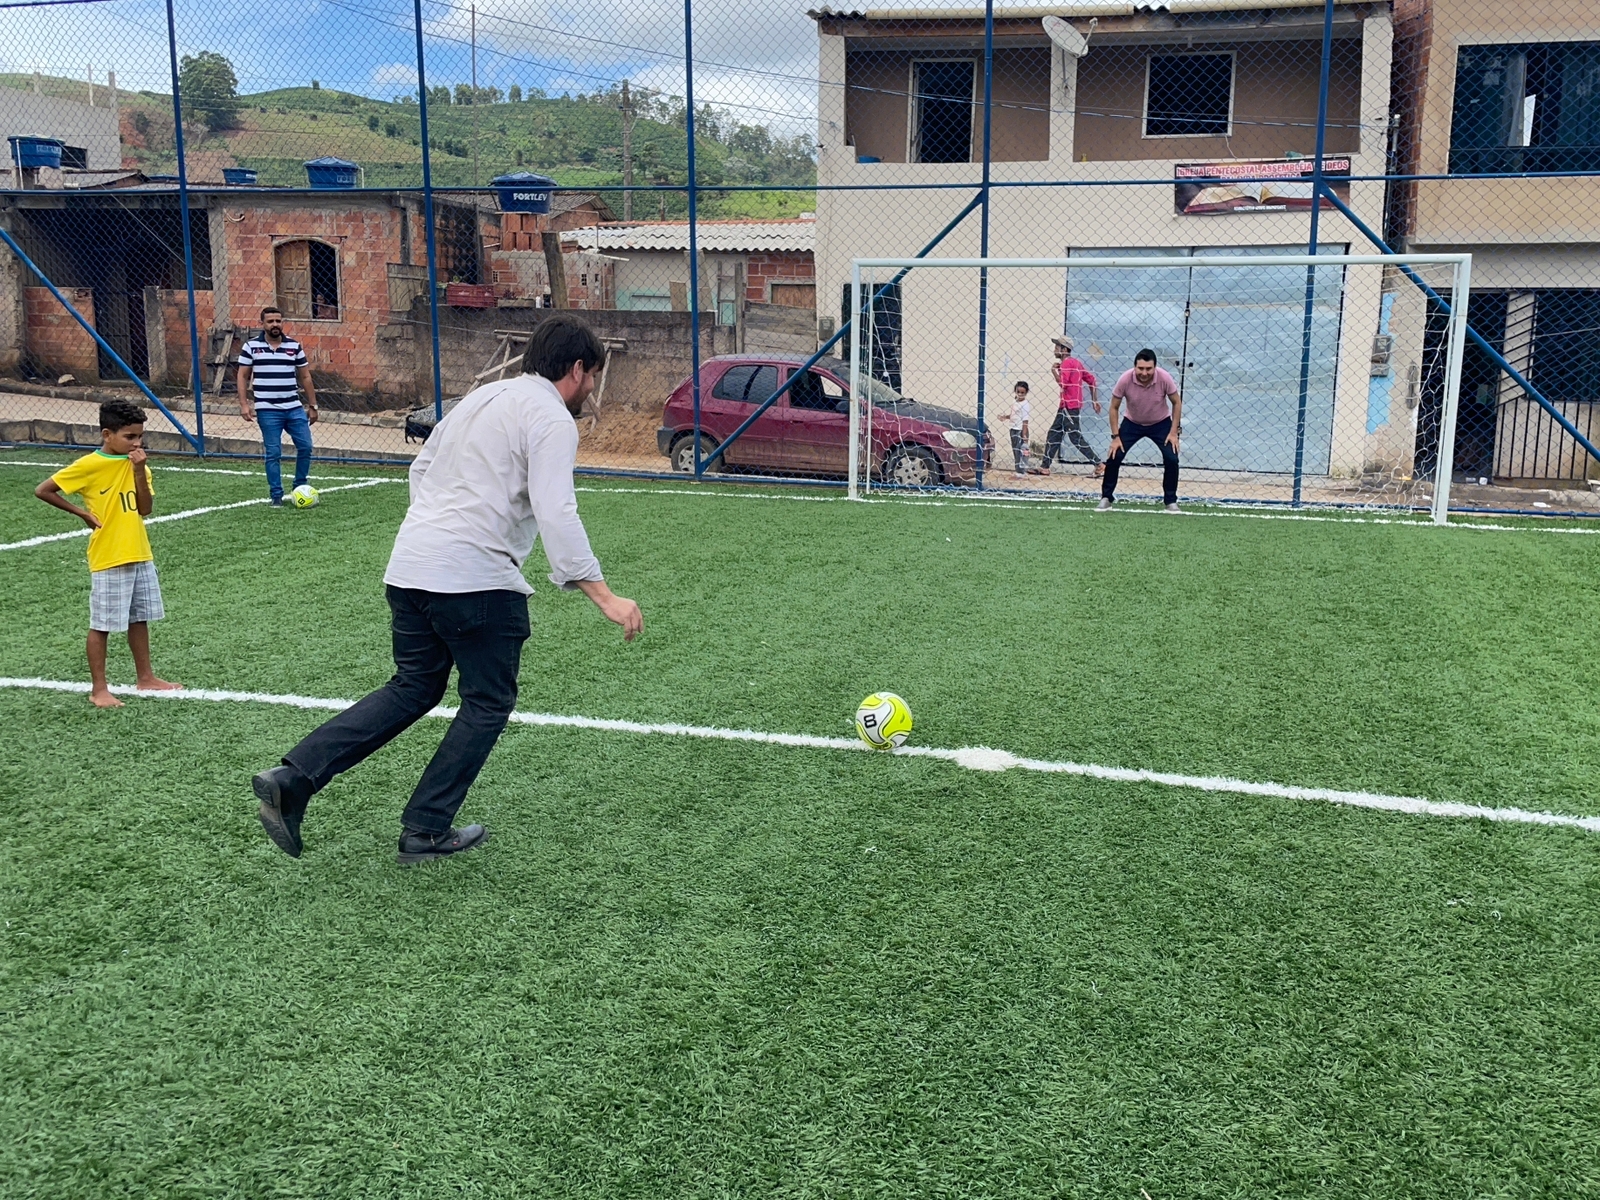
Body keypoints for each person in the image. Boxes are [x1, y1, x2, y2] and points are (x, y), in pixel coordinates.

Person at [250, 315, 644, 867]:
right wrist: (603, 595)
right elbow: (557, 508)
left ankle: (293, 778)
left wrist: (437, 535)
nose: (592, 390)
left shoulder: (481, 398)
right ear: (577, 369)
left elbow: (422, 468)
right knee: (489, 700)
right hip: (476, 578)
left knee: (414, 686)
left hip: (410, 566)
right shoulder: (552, 418)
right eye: (593, 377)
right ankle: (426, 829)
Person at [33, 399, 182, 708]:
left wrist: (139, 471)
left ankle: (146, 678)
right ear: (106, 434)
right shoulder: (89, 465)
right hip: (109, 555)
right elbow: (43, 489)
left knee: (139, 619)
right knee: (102, 624)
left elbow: (145, 509)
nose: (137, 443)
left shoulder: (137, 463)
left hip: (139, 551)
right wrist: (82, 514)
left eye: (140, 436)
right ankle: (99, 689)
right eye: (130, 437)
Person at [237, 306, 318, 506]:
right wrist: (244, 404)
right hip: (267, 409)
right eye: (270, 321)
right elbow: (242, 375)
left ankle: (299, 487)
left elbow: (305, 376)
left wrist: (313, 404)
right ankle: (276, 496)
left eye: (278, 321)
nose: (275, 325)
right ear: (262, 324)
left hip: (294, 407)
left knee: (306, 447)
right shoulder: (251, 347)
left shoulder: (294, 346)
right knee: (273, 453)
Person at [1099, 348, 1183, 513]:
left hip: (1161, 423)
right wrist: (1116, 436)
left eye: (1148, 369)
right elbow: (1114, 407)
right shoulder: (1125, 379)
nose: (1144, 372)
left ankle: (1171, 501)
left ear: (1155, 368)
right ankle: (1106, 498)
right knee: (1114, 455)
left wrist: (1173, 432)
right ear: (1135, 367)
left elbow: (1176, 403)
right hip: (1132, 423)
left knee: (1172, 458)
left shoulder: (1164, 378)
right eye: (1141, 368)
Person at [1000, 381, 1032, 476]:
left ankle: (1021, 471)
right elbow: (1014, 415)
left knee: (1020, 451)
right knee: (1015, 450)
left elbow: (1025, 421)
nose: (1020, 394)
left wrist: (1024, 435)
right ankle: (1018, 469)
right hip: (1013, 428)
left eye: (1022, 393)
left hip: (1020, 430)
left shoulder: (1025, 405)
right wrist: (1005, 417)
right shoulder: (1015, 401)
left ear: (1026, 393)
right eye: (1018, 392)